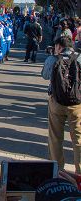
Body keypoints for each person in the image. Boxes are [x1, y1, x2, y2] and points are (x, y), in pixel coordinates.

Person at [43, 36, 81, 173]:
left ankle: (57, 171)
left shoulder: (54, 59)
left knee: (55, 137)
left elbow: (45, 75)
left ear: (59, 46)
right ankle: (80, 172)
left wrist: (53, 56)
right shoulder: (79, 57)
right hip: (77, 103)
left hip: (56, 102)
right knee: (78, 138)